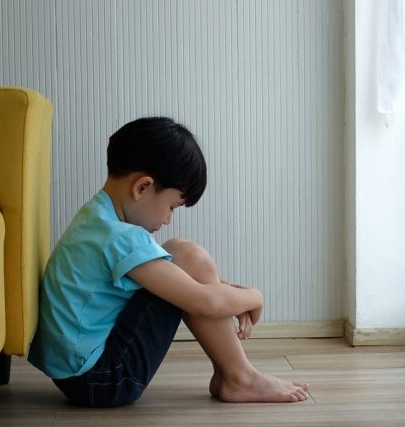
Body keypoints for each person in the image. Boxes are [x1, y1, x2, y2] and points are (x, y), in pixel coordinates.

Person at [27, 117, 309, 408]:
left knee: (181, 254)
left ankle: (234, 374)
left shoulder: (96, 218)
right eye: (172, 207)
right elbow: (204, 302)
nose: (168, 218)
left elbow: (191, 288)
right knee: (188, 258)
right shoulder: (120, 238)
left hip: (77, 373)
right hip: (102, 380)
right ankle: (239, 377)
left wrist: (228, 292)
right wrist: (254, 296)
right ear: (142, 187)